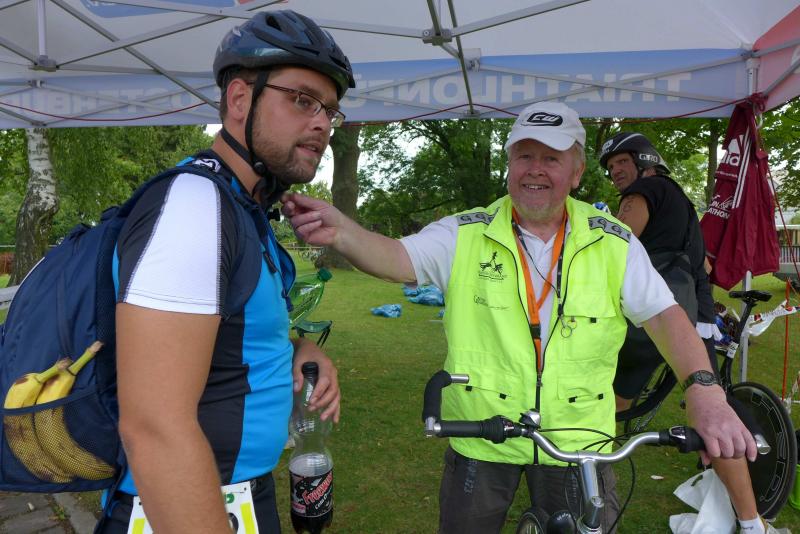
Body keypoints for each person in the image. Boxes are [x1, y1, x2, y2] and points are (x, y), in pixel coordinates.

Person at [282, 102, 757, 533]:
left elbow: (666, 317)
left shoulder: (614, 240)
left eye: (551, 158)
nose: (535, 169)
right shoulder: (465, 232)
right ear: (509, 165)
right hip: (481, 436)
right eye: (524, 156)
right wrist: (342, 232)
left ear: (576, 171)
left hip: (579, 442)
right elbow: (396, 257)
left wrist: (705, 391)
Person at [97, 10, 353, 533]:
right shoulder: (194, 205)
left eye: (330, 110)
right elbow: (155, 427)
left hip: (238, 494)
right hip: (182, 502)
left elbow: (225, 336)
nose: (322, 123)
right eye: (302, 99)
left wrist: (299, 349)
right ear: (239, 99)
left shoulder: (243, 208)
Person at [600, 132, 776, 534]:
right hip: (691, 312)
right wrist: (703, 316)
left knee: (606, 403)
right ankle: (752, 522)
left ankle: (583, 472)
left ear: (644, 162)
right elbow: (703, 267)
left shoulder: (643, 193)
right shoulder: (682, 202)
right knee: (715, 413)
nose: (615, 173)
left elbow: (613, 245)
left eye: (621, 163)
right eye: (611, 168)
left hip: (650, 311)